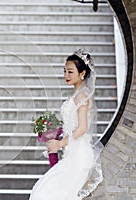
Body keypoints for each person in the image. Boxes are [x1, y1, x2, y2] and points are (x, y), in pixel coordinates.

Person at [29, 49, 103, 200]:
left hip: (79, 156)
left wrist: (60, 143)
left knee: (46, 193)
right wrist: (53, 134)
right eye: (64, 71)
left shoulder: (82, 96)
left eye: (70, 72)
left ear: (82, 73)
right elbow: (72, 125)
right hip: (71, 154)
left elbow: (82, 127)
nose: (66, 75)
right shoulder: (77, 94)